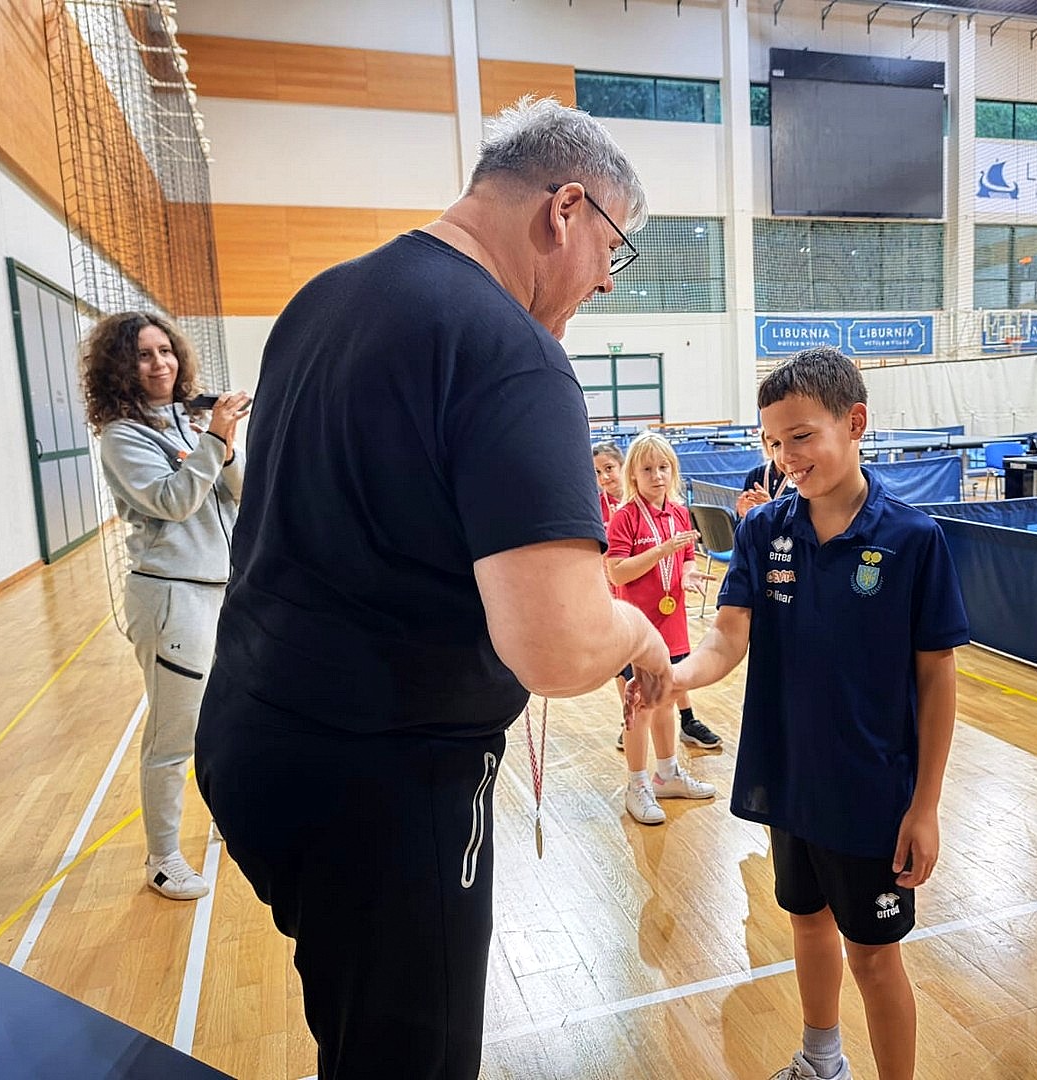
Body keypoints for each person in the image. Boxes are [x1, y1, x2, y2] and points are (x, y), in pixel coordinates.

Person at [194, 98, 674, 1079]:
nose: (602, 282)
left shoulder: (322, 301)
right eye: (611, 250)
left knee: (351, 1021)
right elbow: (555, 647)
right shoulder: (512, 354)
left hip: (251, 740)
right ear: (566, 210)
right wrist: (637, 636)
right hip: (383, 789)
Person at [668, 346, 969, 1080]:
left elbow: (937, 679)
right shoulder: (762, 531)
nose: (785, 457)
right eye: (773, 442)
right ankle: (822, 1060)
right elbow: (727, 636)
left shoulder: (913, 540)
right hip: (789, 777)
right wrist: (674, 676)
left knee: (872, 955)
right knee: (806, 921)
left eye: (801, 436)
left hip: (871, 791)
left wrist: (925, 806)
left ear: (855, 422)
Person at [81, 312, 250, 900]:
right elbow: (173, 502)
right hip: (172, 598)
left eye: (165, 351)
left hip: (222, 591)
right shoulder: (123, 436)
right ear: (120, 368)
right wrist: (213, 441)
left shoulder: (190, 420)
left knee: (225, 719)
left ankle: (229, 818)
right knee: (174, 736)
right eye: (143, 355)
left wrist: (222, 442)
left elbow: (240, 493)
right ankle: (163, 858)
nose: (159, 364)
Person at [604, 432, 719, 824]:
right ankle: (637, 784)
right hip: (634, 632)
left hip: (671, 624)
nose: (657, 475)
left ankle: (667, 774)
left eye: (663, 467)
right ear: (633, 476)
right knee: (638, 708)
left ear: (673, 471)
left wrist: (687, 574)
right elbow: (617, 571)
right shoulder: (625, 516)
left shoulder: (679, 513)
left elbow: (686, 558)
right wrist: (661, 551)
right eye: (648, 469)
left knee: (667, 699)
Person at [735, 428, 788, 519]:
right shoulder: (755, 475)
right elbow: (743, 520)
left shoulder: (799, 476)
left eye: (779, 442)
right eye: (773, 442)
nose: (775, 447)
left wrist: (770, 508)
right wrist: (743, 515)